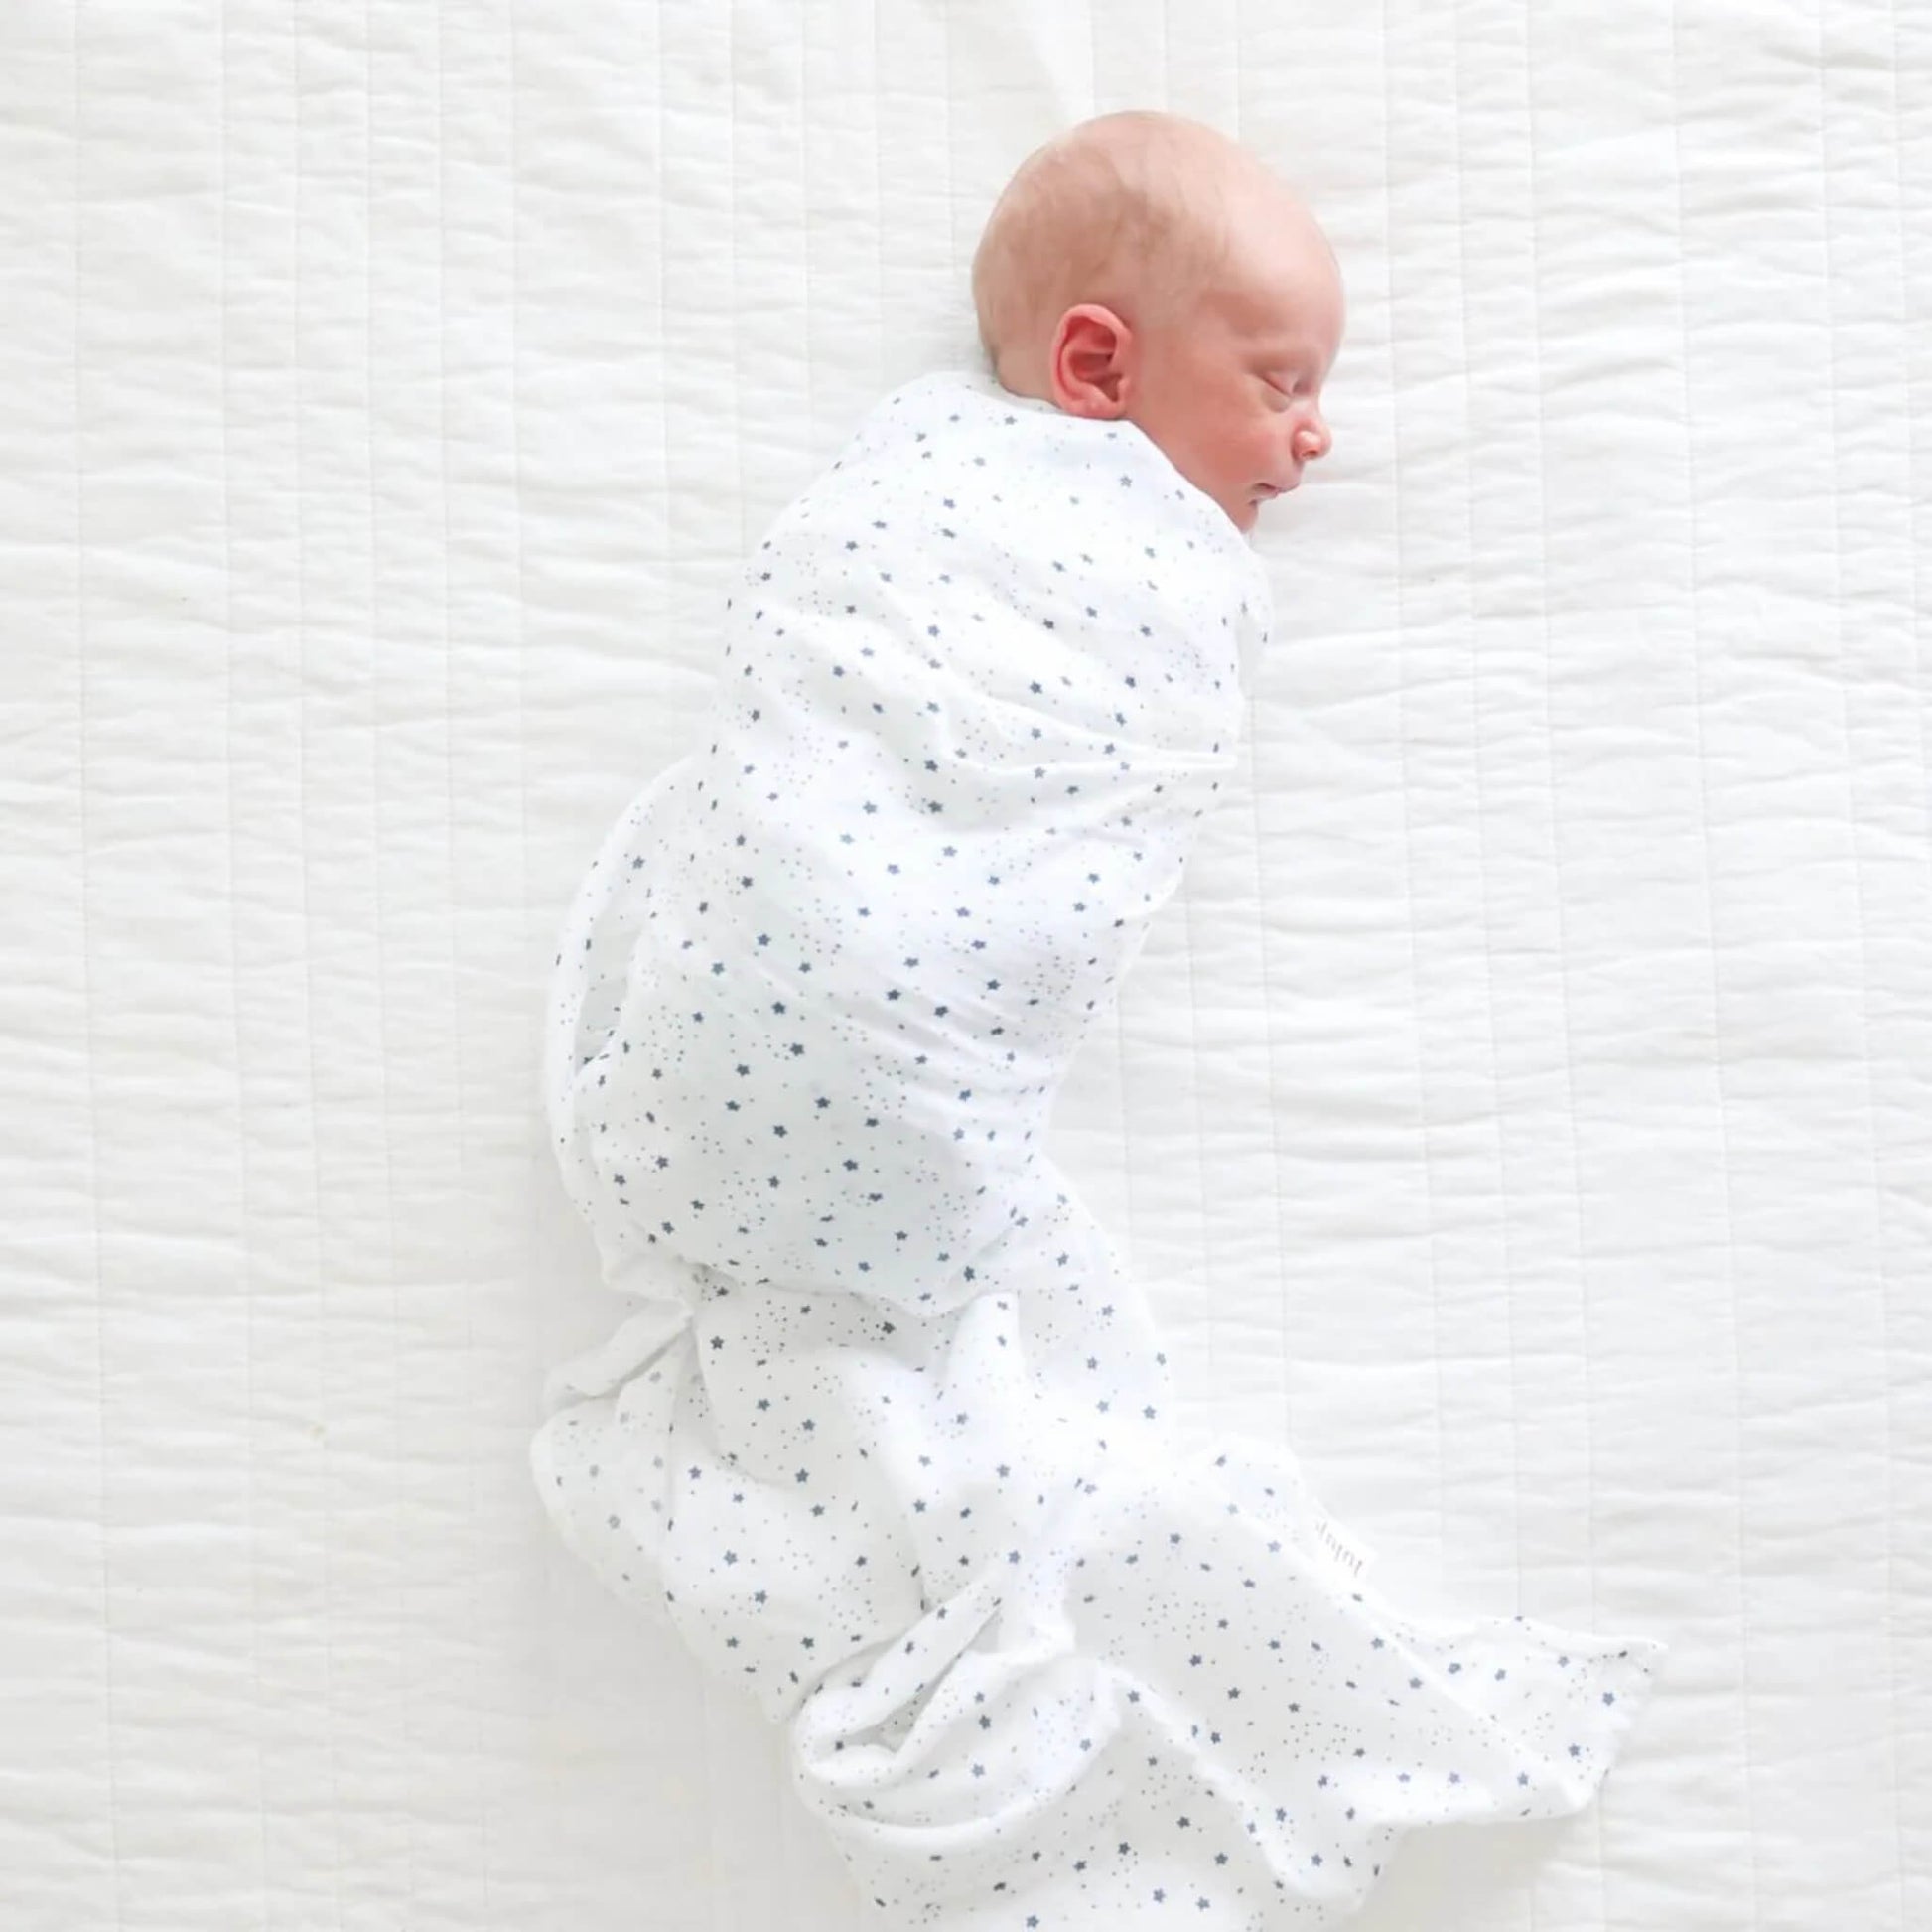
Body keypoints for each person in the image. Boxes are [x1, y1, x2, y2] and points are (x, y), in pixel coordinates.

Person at [533, 109, 1664, 1927]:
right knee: (952, 1299)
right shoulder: (1006, 509)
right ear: (1094, 363)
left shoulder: (914, 470)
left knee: (931, 1334)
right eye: (1281, 378)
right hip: (836, 973)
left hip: (715, 1041)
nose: (1316, 432)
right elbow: (845, 686)